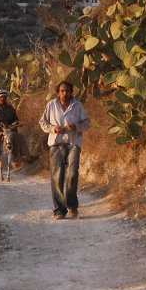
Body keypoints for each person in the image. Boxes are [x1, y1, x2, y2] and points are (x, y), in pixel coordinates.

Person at [39, 81, 91, 220]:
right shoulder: (51, 105)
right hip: (56, 145)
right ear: (58, 92)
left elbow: (87, 123)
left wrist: (77, 127)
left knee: (72, 175)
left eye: (67, 91)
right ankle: (59, 211)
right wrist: (53, 129)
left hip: (73, 144)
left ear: (72, 92)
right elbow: (42, 122)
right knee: (57, 177)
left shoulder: (78, 106)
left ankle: (72, 206)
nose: (65, 93)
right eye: (62, 91)